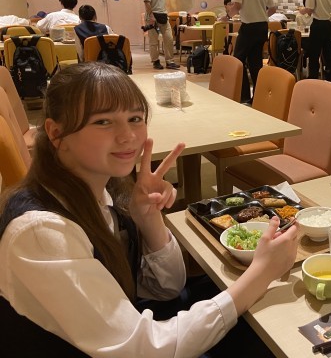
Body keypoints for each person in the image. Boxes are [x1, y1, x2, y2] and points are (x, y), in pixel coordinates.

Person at [0, 62, 299, 357]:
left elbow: (167, 289)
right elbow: (143, 349)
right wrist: (262, 273)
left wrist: (148, 217)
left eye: (135, 118)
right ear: (55, 133)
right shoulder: (41, 232)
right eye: (103, 121)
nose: (128, 136)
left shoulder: (104, 189)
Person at [230, 0, 276, 103]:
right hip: (262, 27)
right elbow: (273, 8)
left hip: (248, 27)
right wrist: (261, 15)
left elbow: (237, 5)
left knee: (238, 60)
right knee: (255, 63)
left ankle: (243, 96)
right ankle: (257, 97)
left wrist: (227, 16)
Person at [143, 0, 180, 70]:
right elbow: (147, 3)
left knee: (169, 38)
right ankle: (155, 61)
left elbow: (161, 5)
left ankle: (170, 61)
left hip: (163, 16)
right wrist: (151, 16)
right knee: (154, 41)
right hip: (152, 17)